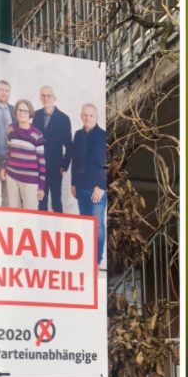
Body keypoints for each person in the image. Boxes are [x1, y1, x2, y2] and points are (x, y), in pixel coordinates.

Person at [71, 103, 109, 265]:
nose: (87, 118)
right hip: (81, 187)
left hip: (97, 189)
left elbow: (108, 163)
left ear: (97, 117)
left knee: (97, 225)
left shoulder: (104, 136)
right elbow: (75, 159)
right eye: (85, 115)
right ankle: (87, 258)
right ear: (81, 116)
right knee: (85, 224)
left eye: (91, 115)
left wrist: (101, 186)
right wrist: (73, 182)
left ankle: (97, 260)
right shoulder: (78, 135)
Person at [34, 84, 74, 213]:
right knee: (41, 200)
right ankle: (42, 230)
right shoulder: (35, 116)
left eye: (49, 96)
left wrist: (64, 164)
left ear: (54, 98)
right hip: (38, 165)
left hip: (56, 167)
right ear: (40, 97)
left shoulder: (63, 118)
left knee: (56, 200)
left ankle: (58, 230)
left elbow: (69, 145)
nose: (46, 98)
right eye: (43, 96)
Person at [2, 99, 46, 210]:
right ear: (16, 112)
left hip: (30, 181)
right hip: (11, 176)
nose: (22, 113)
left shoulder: (37, 135)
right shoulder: (11, 129)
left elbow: (42, 162)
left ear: (30, 113)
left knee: (30, 214)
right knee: (14, 212)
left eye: (25, 111)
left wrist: (41, 187)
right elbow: (8, 152)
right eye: (19, 110)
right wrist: (3, 167)